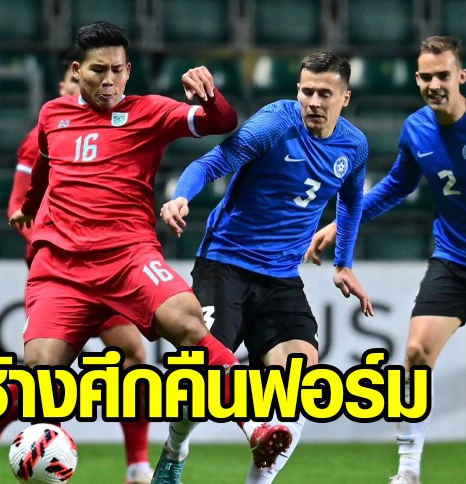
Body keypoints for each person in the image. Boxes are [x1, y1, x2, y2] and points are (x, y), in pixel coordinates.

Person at [9, 21, 291, 484]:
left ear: (128, 70)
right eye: (98, 70)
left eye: (118, 70)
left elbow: (221, 123)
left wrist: (208, 96)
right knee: (40, 369)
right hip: (61, 268)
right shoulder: (52, 115)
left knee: (187, 321)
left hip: (128, 258)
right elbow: (44, 167)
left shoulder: (148, 111)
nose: (109, 80)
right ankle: (49, 455)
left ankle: (256, 426)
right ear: (77, 70)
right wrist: (29, 205)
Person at [310, 36, 466, 484]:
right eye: (426, 77)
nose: (434, 84)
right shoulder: (416, 129)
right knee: (416, 352)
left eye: (443, 75)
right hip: (453, 259)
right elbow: (396, 186)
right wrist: (343, 222)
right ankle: (408, 471)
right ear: (417, 79)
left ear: (461, 76)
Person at [160, 52, 374, 484]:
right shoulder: (275, 124)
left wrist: (344, 262)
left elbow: (351, 200)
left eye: (325, 94)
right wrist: (182, 196)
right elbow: (212, 162)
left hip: (281, 277)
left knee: (300, 381)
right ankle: (175, 449)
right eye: (306, 91)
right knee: (200, 376)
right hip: (225, 263)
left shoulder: (354, 146)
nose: (313, 102)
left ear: (345, 98)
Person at [0, 57, 153, 484]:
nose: (76, 89)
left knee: (133, 356)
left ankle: (138, 467)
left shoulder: (110, 131)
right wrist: (57, 244)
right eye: (70, 82)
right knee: (50, 372)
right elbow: (18, 209)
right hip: (61, 271)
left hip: (105, 266)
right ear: (67, 85)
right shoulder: (42, 137)